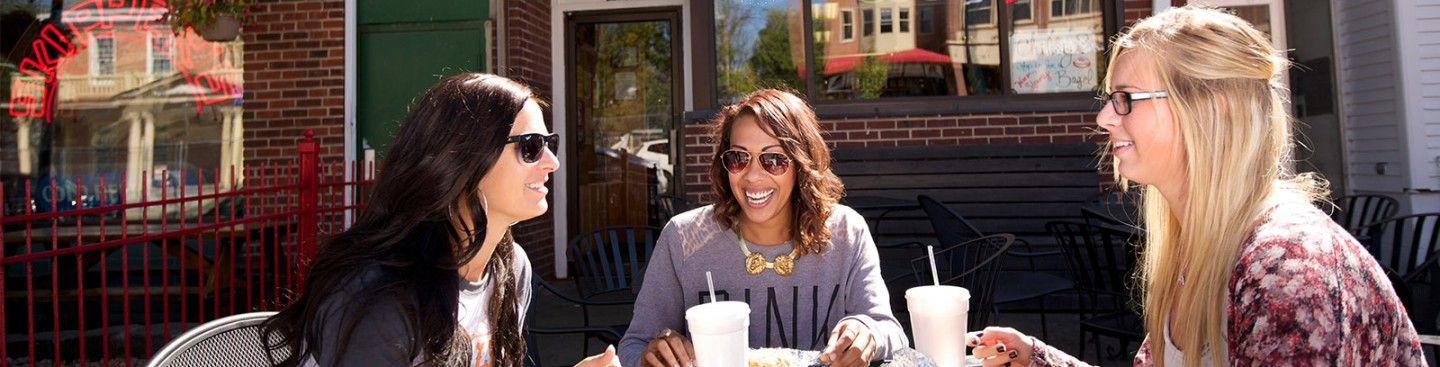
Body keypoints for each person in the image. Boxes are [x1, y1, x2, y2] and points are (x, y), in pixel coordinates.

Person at [965, 6, 1423, 367]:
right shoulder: (1203, 247)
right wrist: (1038, 358)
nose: (1104, 118)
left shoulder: (1287, 266)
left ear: (1214, 108)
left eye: (1125, 99)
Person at [260, 73, 619, 367]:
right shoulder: (381, 297)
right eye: (531, 146)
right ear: (465, 161)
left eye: (549, 143)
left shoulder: (510, 267)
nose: (552, 163)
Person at [618, 89, 908, 367]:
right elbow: (632, 347)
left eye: (774, 160)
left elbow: (890, 332)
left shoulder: (846, 232)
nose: (752, 175)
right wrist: (652, 356)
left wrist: (865, 330)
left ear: (801, 165)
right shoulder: (684, 238)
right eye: (738, 158)